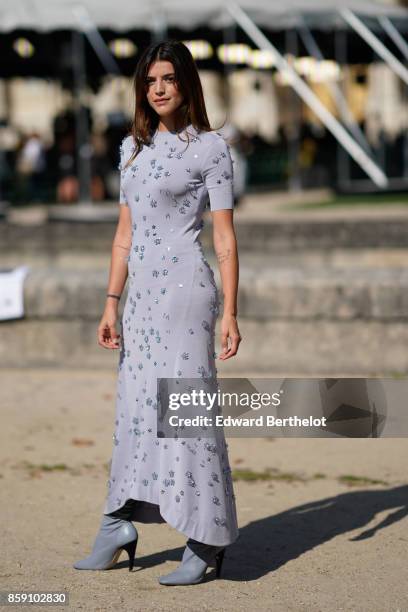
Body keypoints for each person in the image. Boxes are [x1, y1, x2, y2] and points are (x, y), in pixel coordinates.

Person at [73, 39, 242, 586]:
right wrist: (110, 301)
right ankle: (118, 521)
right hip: (140, 300)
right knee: (136, 412)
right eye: (150, 81)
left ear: (187, 83)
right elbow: (124, 235)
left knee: (186, 413)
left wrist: (231, 313)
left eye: (168, 78)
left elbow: (225, 240)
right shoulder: (131, 149)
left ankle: (206, 539)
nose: (159, 88)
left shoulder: (211, 149)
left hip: (187, 294)